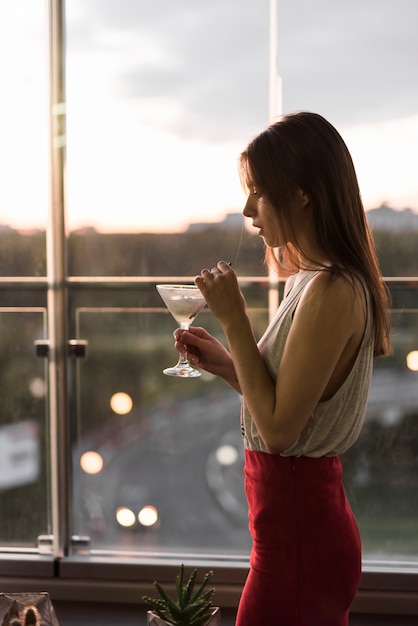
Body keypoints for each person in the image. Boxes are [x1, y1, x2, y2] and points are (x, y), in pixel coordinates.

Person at [174, 111, 391, 626]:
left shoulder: (334, 290)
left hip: (300, 548)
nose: (248, 209)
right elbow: (285, 398)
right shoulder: (306, 280)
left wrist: (234, 322)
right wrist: (229, 366)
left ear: (302, 194)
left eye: (259, 192)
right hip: (292, 537)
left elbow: (277, 432)